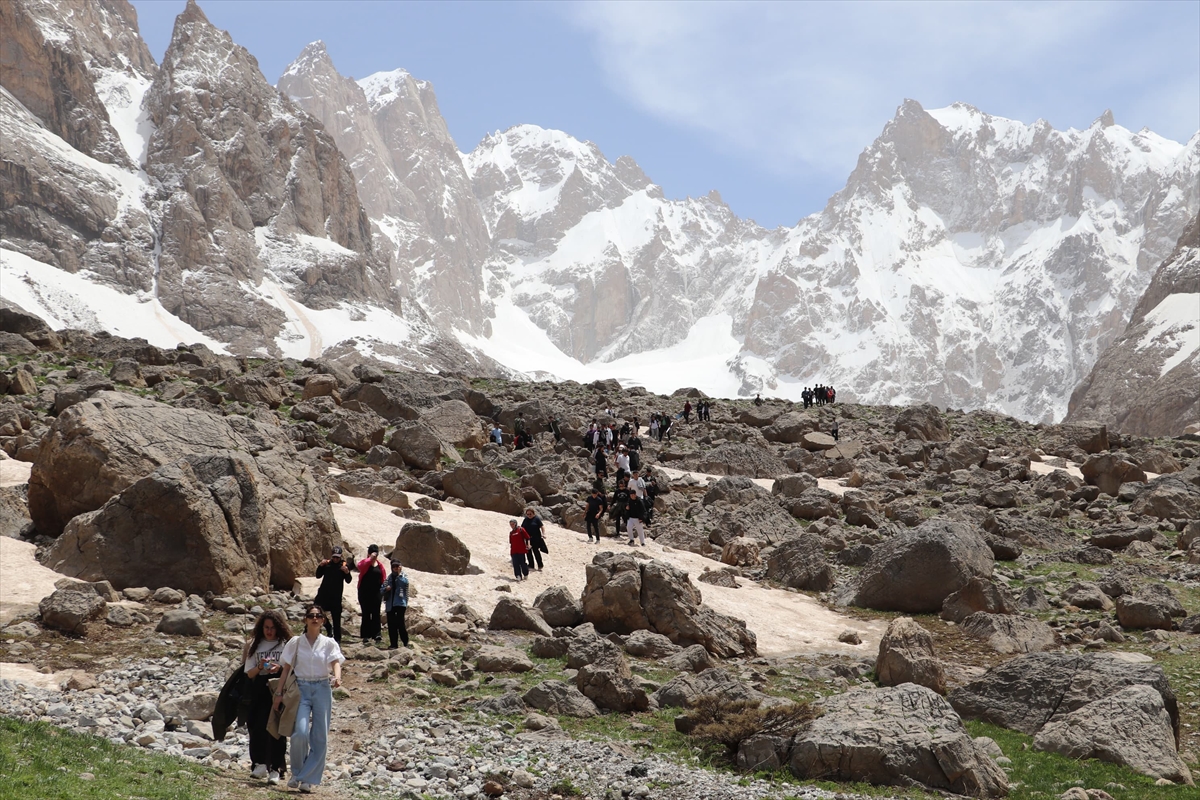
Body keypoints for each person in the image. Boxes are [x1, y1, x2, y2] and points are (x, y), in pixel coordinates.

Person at [273, 604, 344, 793]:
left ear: (323, 620)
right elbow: (286, 669)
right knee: (300, 733)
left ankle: (307, 778)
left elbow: (335, 662)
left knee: (320, 736)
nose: (315, 618)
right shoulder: (296, 642)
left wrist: (337, 677)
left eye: (318, 616)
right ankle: (297, 772)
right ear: (305, 619)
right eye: (311, 615)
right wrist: (278, 693)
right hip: (301, 688)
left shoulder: (329, 643)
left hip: (322, 688)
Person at [244, 610, 292, 785]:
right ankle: (259, 764)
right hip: (258, 688)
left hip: (278, 687)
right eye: (266, 627)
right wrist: (260, 666)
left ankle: (276, 768)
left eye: (272, 628)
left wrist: (278, 668)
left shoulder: (285, 645)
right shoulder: (254, 645)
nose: (269, 631)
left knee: (277, 727)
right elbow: (249, 673)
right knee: (257, 725)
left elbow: (291, 668)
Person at [314, 546, 351, 643]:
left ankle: (337, 640)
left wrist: (347, 572)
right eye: (334, 557)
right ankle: (328, 626)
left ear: (340, 556)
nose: (335, 559)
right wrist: (320, 566)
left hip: (336, 597)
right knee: (318, 611)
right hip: (323, 594)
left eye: (337, 557)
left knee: (336, 619)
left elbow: (349, 580)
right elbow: (318, 575)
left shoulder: (343, 565)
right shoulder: (327, 564)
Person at [356, 544, 386, 644]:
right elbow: (360, 566)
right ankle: (366, 635)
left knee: (376, 613)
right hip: (364, 592)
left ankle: (377, 634)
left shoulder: (380, 565)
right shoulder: (365, 563)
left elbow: (383, 578)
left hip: (376, 593)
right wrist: (369, 559)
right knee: (366, 613)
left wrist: (384, 590)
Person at [381, 560, 409, 649]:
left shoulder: (403, 576)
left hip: (400, 603)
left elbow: (404, 584)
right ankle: (393, 644)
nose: (395, 568)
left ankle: (405, 642)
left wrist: (399, 575)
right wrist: (386, 589)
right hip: (390, 604)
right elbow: (381, 589)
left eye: (397, 566)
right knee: (391, 625)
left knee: (400, 624)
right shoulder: (389, 578)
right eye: (394, 566)